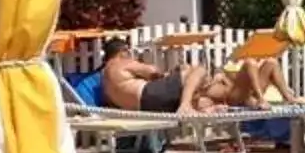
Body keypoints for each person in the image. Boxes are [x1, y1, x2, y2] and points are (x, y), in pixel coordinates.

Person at [96, 37, 272, 118]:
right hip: (151, 96)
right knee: (198, 70)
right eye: (128, 51)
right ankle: (186, 106)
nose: (130, 54)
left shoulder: (104, 79)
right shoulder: (120, 63)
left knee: (195, 86)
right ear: (122, 52)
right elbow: (152, 71)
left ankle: (200, 107)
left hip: (146, 107)